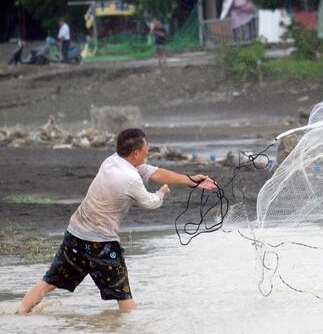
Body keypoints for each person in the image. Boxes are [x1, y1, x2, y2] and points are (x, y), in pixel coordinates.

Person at [17, 128, 218, 314]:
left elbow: (153, 172)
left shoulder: (112, 161)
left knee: (48, 283)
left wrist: (191, 180)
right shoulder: (130, 178)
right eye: (146, 148)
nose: (148, 151)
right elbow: (150, 203)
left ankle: (20, 314)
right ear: (136, 153)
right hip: (101, 245)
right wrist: (162, 193)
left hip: (75, 235)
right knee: (125, 299)